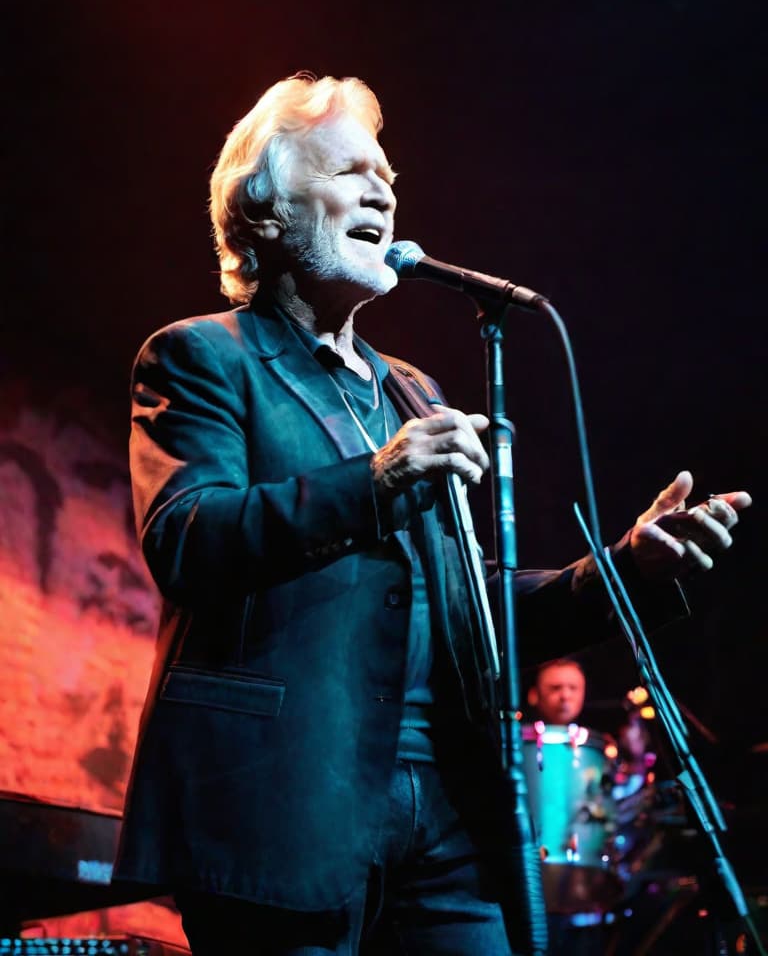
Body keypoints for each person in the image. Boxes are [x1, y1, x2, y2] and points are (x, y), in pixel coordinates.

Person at [113, 74, 751, 956]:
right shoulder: (202, 358)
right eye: (349, 169)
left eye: (389, 175)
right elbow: (188, 540)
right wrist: (374, 480)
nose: (384, 188)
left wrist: (628, 568)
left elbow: (472, 613)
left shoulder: (413, 391)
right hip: (282, 801)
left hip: (448, 807)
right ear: (265, 210)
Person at [527, 658, 587, 726]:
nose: (565, 696)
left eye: (573, 688)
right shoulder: (518, 734)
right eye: (555, 688)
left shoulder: (593, 735)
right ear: (534, 695)